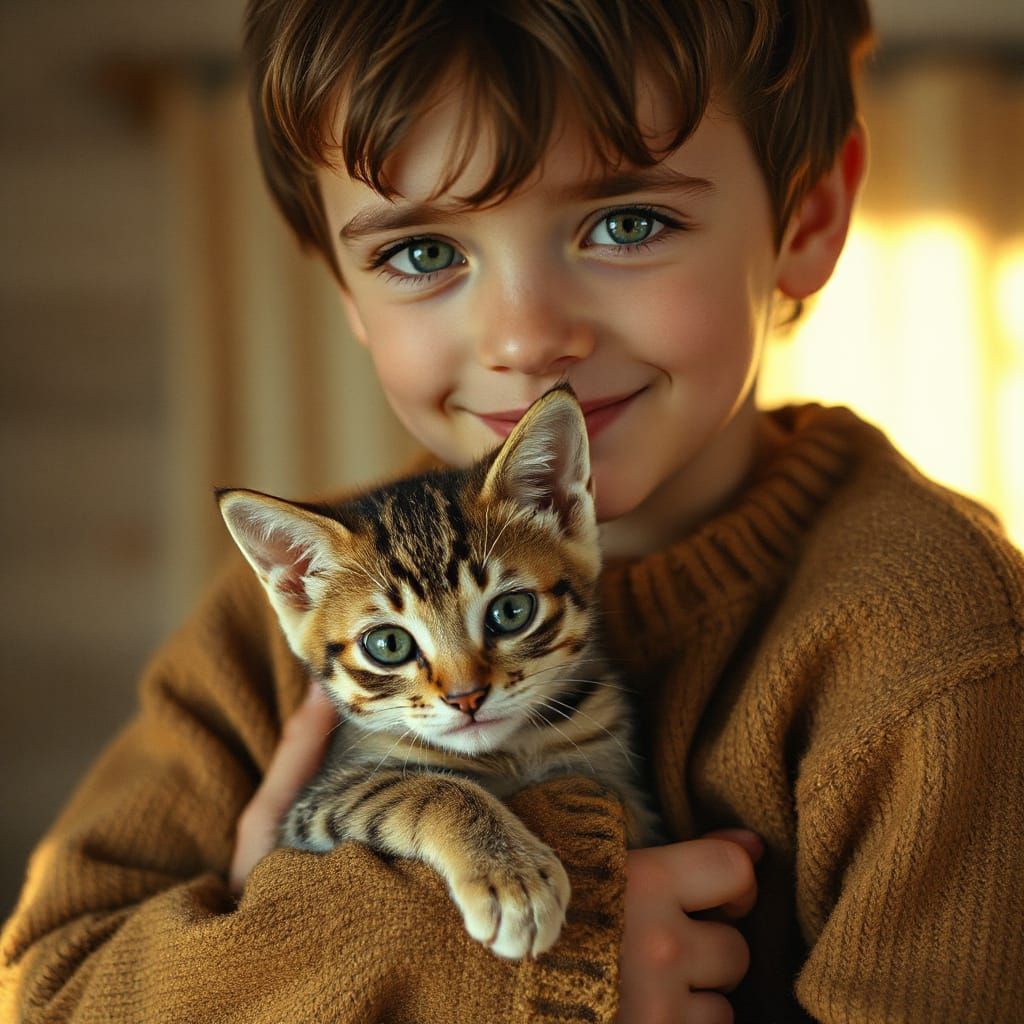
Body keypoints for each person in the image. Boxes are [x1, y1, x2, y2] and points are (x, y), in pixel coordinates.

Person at [3, 1, 1023, 1021]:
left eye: (627, 222)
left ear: (806, 220)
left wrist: (256, 939)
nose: (527, 337)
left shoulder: (933, 645)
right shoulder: (275, 624)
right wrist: (496, 966)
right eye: (421, 253)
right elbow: (47, 991)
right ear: (343, 287)